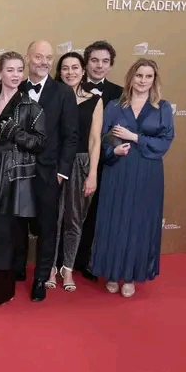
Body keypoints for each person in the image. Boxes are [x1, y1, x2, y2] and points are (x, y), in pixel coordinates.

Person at [91, 59, 174, 298]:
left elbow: (165, 141)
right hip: (118, 170)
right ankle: (112, 272)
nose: (143, 80)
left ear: (154, 80)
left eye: (148, 76)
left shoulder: (163, 108)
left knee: (139, 223)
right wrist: (113, 150)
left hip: (147, 172)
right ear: (131, 77)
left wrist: (135, 137)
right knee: (115, 221)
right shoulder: (115, 106)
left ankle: (130, 276)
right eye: (139, 75)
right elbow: (104, 138)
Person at [0, 52, 47, 306]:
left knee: (4, 233)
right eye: (10, 70)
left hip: (14, 177)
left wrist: (16, 132)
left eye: (19, 70)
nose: (16, 75)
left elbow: (41, 143)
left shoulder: (31, 106)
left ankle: (0, 290)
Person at [14, 40, 78, 302]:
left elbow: (70, 136)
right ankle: (15, 270)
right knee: (15, 222)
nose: (44, 62)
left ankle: (41, 277)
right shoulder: (15, 87)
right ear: (28, 57)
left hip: (49, 171)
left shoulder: (63, 93)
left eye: (48, 58)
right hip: (16, 170)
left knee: (47, 227)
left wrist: (62, 172)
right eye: (38, 56)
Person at [49, 52, 103, 292]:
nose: (70, 72)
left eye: (75, 67)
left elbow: (95, 140)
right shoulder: (52, 97)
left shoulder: (95, 100)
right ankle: (50, 267)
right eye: (65, 68)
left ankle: (67, 268)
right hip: (54, 163)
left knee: (74, 219)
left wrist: (92, 174)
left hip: (81, 164)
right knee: (52, 218)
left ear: (83, 71)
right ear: (59, 72)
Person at [76, 40, 123, 281]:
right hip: (73, 160)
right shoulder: (71, 84)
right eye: (94, 60)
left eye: (105, 61)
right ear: (86, 63)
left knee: (94, 214)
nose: (99, 66)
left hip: (106, 164)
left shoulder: (119, 93)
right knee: (69, 213)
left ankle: (86, 261)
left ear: (111, 65)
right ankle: (62, 261)